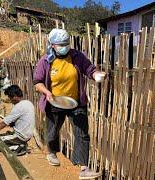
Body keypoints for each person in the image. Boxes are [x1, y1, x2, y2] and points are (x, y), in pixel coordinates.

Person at [33, 28, 106, 179]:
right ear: (52, 45)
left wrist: (97, 74)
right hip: (54, 102)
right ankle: (52, 152)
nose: (64, 46)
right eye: (60, 44)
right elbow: (37, 82)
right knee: (52, 131)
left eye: (66, 43)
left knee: (82, 133)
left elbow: (89, 69)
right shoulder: (46, 60)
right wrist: (47, 93)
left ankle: (84, 168)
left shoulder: (77, 56)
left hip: (76, 102)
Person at [0, 85, 35, 156]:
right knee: (0, 136)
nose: (10, 100)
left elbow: (4, 123)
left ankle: (18, 147)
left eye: (10, 98)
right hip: (27, 135)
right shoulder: (28, 103)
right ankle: (19, 144)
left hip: (20, 136)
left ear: (14, 96)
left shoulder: (18, 107)